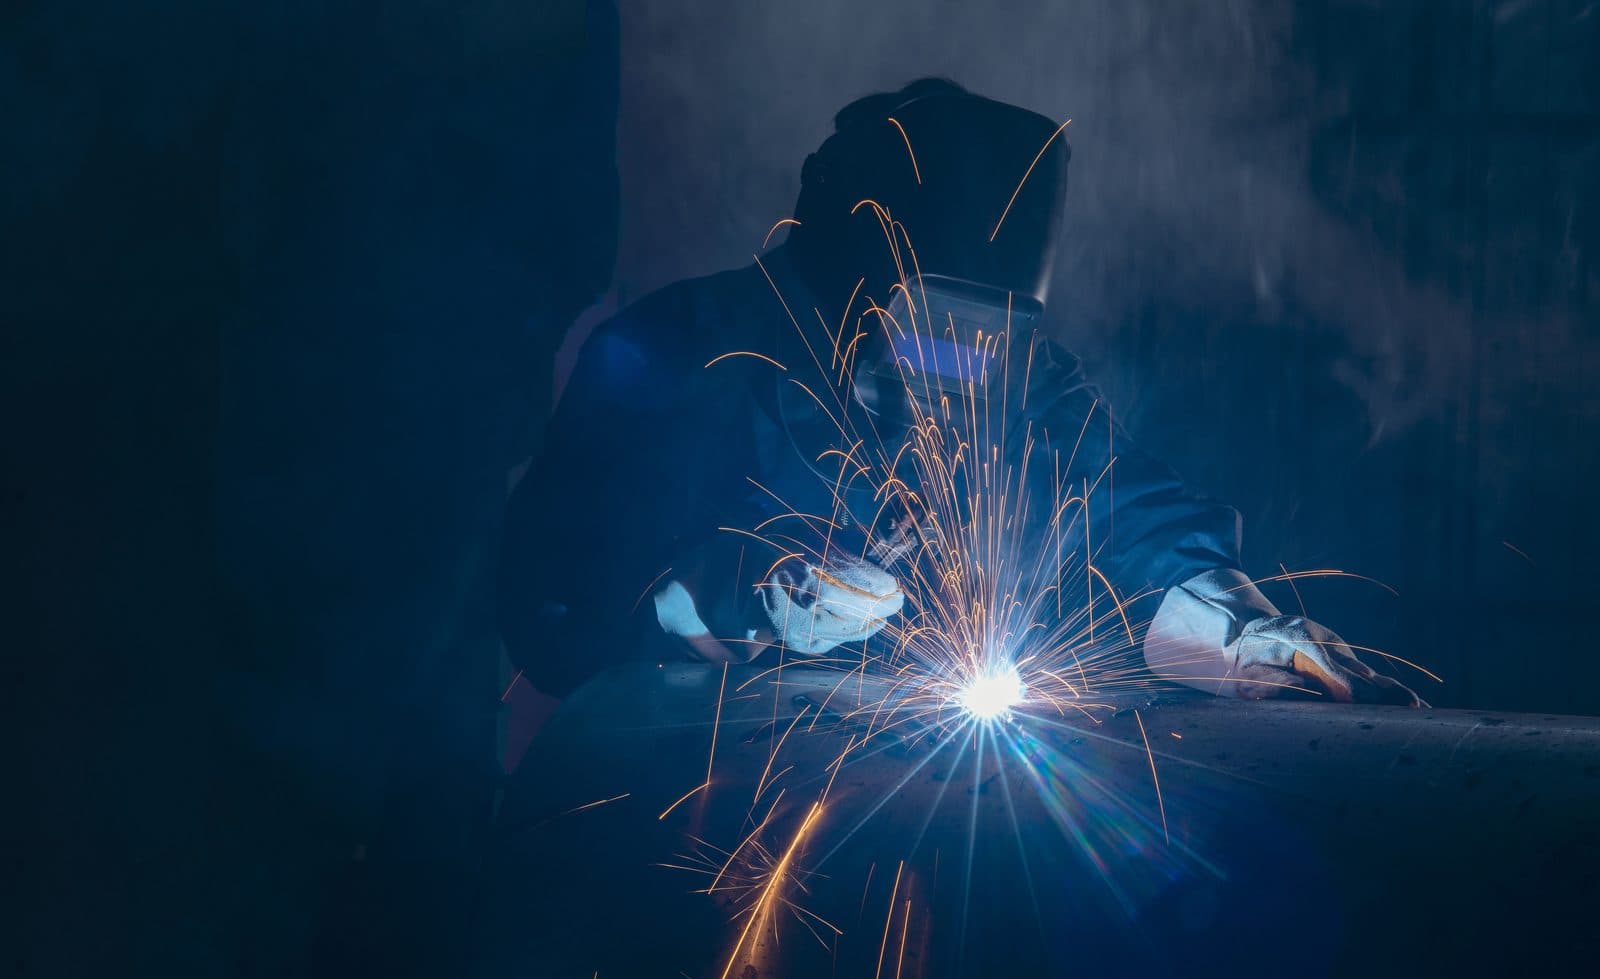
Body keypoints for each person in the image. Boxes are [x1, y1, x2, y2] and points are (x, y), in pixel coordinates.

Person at [500, 78, 1419, 708]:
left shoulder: (1019, 373)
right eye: (925, 324)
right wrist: (720, 591)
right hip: (691, 810)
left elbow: (1118, 509)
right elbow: (547, 605)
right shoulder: (675, 350)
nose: (952, 364)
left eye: (981, 332)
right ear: (851, 286)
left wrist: (1232, 629)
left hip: (911, 805)